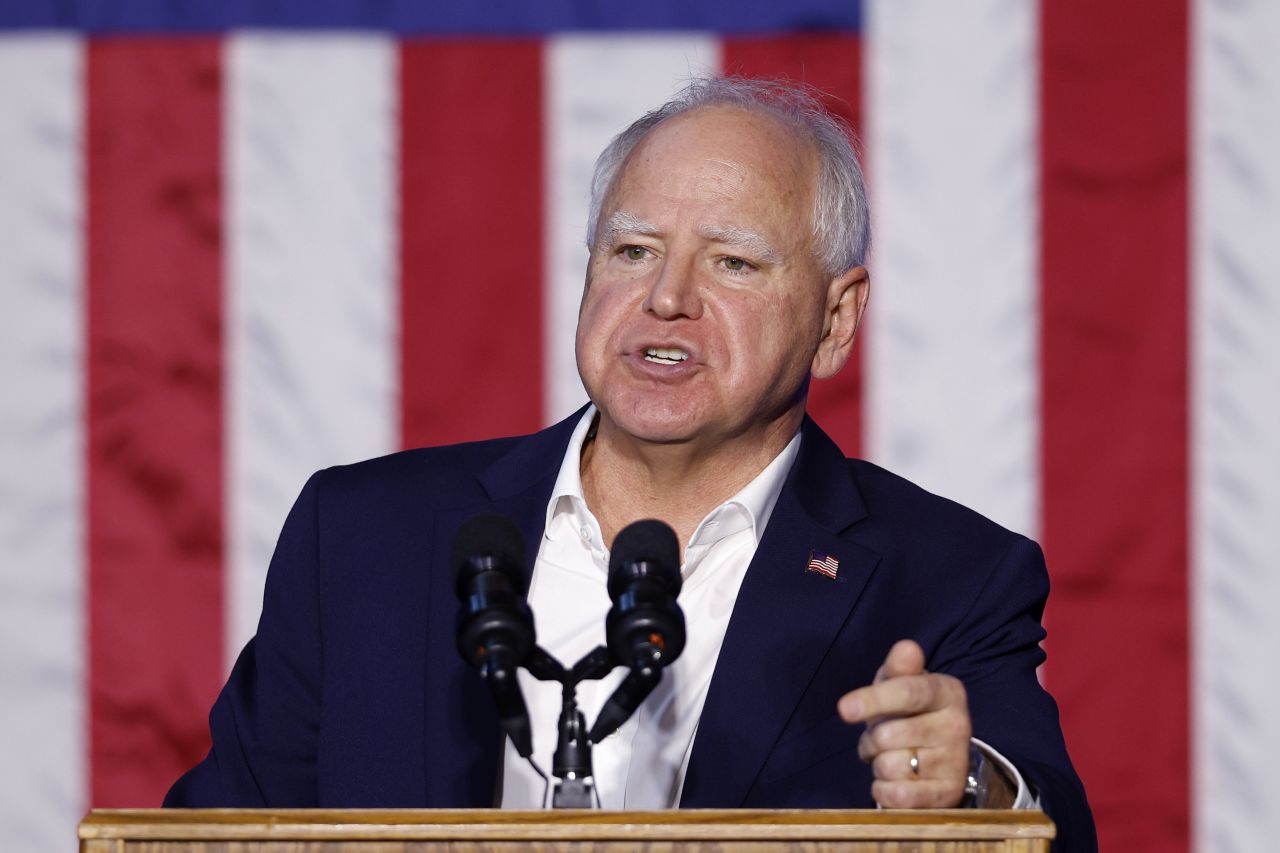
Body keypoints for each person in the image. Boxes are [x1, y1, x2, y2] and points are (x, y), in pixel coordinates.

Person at [166, 76, 1095, 851]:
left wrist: (971, 789)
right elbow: (221, 828)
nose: (666, 298)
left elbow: (1051, 824)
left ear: (836, 320)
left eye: (732, 262)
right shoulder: (366, 534)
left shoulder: (948, 577)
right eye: (633, 249)